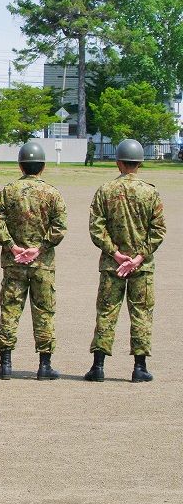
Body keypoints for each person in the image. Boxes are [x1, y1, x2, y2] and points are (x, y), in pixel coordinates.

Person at [84, 139, 166, 383]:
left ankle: (98, 367)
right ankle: (140, 368)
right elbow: (158, 230)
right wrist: (139, 257)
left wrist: (116, 254)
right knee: (141, 313)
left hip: (112, 265)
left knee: (107, 312)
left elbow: (96, 228)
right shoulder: (150, 192)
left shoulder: (105, 191)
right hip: (142, 266)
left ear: (118, 162)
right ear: (140, 163)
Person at [0, 142, 67, 381]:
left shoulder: (7, 192)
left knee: (10, 311)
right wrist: (39, 248)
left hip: (14, 262)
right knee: (44, 312)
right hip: (42, 263)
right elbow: (60, 227)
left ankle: (5, 364)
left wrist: (12, 246)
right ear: (42, 166)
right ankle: (44, 365)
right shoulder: (52, 193)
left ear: (20, 165)